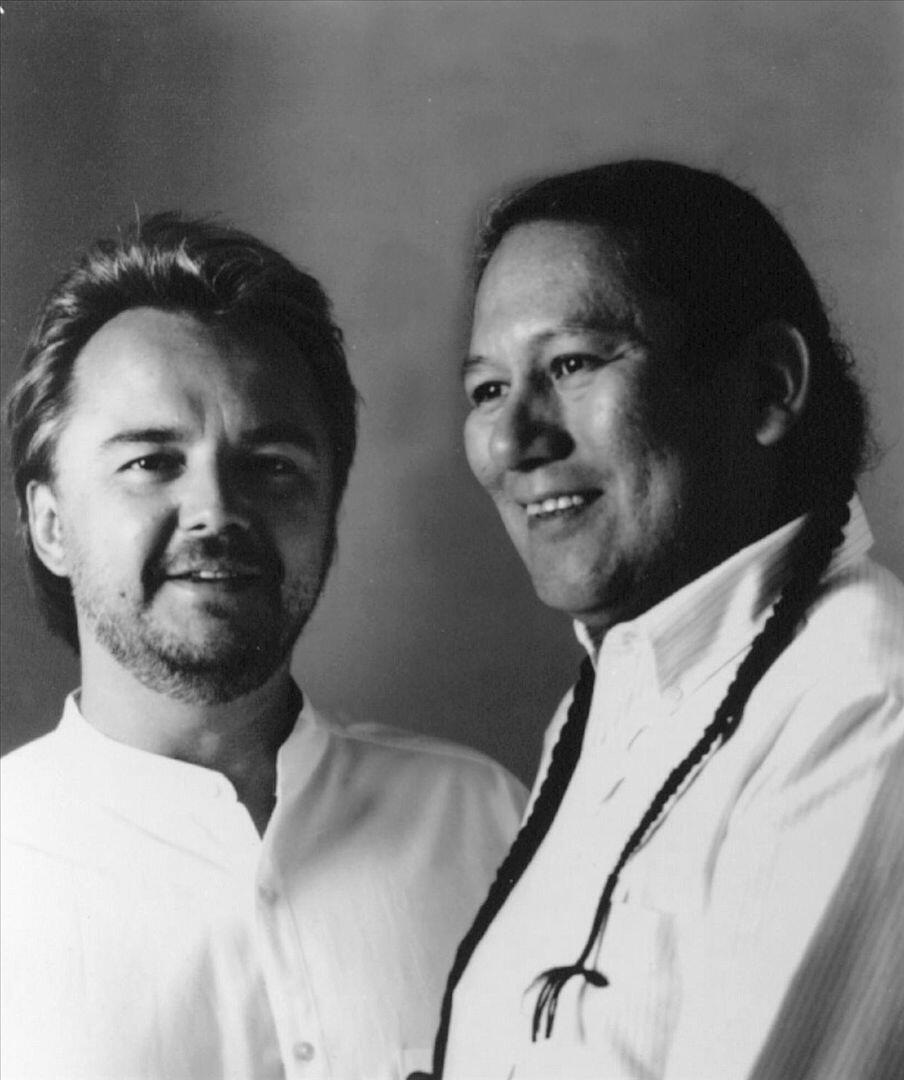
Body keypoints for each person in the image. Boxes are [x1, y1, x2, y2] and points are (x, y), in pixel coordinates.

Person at [0, 213, 526, 1080]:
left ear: (330, 508)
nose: (216, 511)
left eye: (273, 464)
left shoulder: (483, 823)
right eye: (151, 462)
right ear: (50, 525)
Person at [419, 161, 904, 1079]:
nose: (513, 441)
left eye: (572, 364)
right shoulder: (613, 698)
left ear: (768, 387)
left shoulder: (863, 707)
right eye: (487, 389)